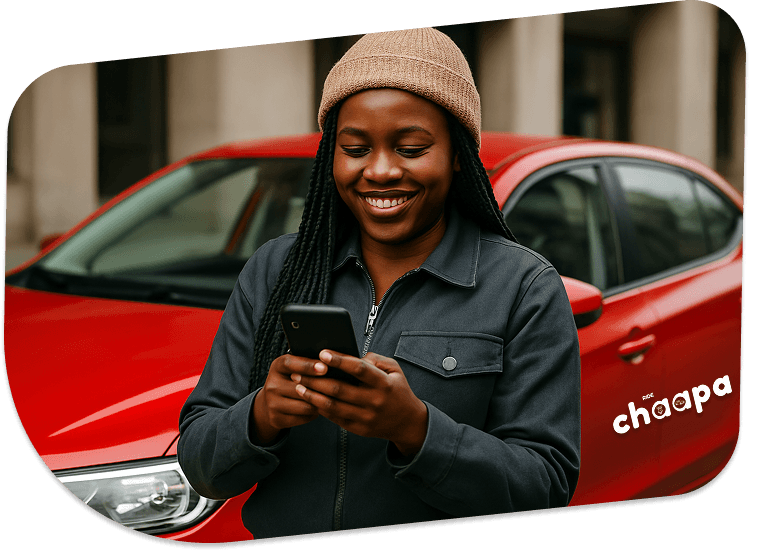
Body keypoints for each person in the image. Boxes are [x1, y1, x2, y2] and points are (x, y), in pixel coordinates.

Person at [178, 27, 580, 540]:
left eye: (411, 148)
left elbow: (544, 490)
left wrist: (413, 428)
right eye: (355, 148)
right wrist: (261, 414)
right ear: (332, 157)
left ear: (458, 155)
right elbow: (199, 464)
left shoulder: (525, 288)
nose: (381, 170)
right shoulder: (276, 270)